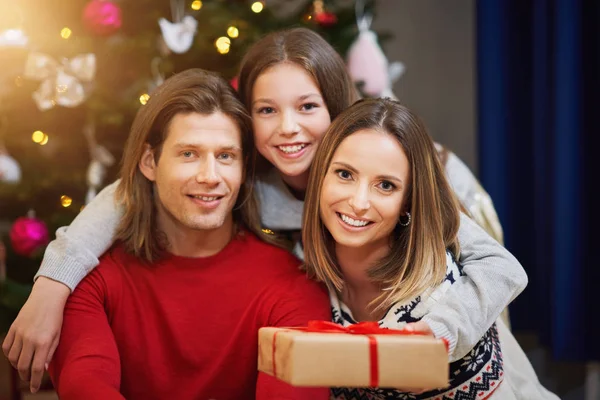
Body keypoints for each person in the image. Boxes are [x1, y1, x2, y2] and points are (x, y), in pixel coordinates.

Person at [4, 28, 525, 393]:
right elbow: (126, 196)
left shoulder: (408, 165)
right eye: (265, 111)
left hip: (462, 343)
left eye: (307, 107)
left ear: (337, 108)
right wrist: (54, 283)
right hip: (358, 345)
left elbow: (496, 269)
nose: (288, 129)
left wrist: (441, 332)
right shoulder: (245, 178)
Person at [39, 69, 331, 399]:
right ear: (150, 162)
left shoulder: (293, 285)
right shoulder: (91, 279)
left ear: (243, 168)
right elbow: (85, 384)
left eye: (225, 156)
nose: (210, 176)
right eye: (188, 154)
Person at [303, 97, 558, 399]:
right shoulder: (309, 281)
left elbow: (504, 268)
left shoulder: (438, 278)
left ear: (409, 201)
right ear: (320, 176)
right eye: (345, 174)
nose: (359, 203)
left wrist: (441, 333)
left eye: (386, 185)